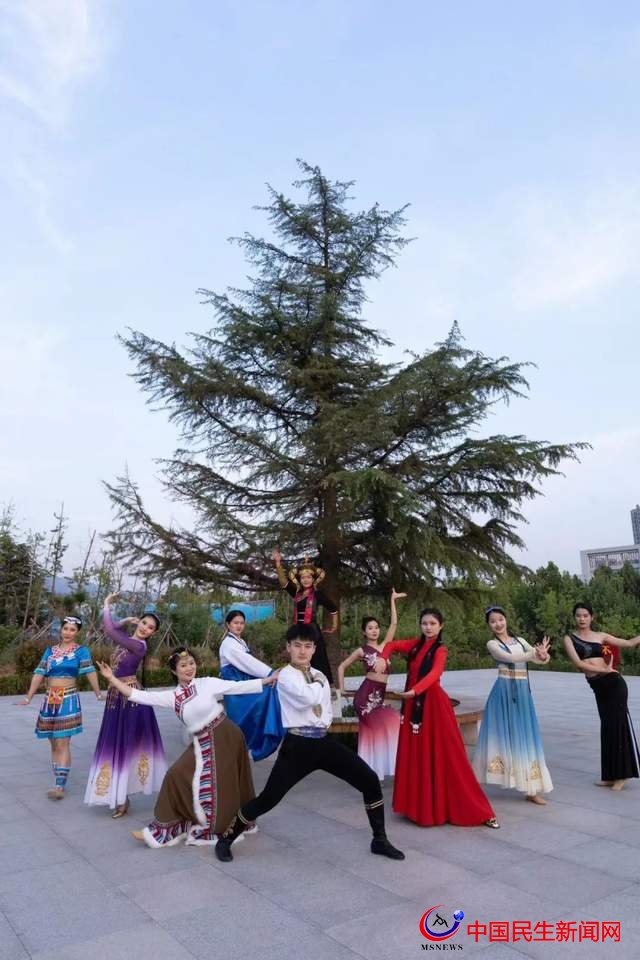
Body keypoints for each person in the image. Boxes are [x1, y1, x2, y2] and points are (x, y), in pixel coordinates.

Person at [214, 624, 405, 863]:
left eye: (307, 646)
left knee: (369, 780)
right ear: (288, 647)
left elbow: (325, 707)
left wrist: (323, 710)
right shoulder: (286, 675)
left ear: (314, 649)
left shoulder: (318, 674)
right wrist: (319, 682)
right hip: (298, 746)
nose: (302, 651)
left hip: (323, 741)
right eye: (297, 646)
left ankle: (379, 840)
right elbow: (309, 698)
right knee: (268, 799)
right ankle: (226, 839)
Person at [96, 648, 277, 847]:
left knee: (219, 785)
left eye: (191, 663)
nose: (189, 668)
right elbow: (137, 695)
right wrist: (111, 678)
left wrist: (267, 680)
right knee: (175, 774)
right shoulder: (172, 696)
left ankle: (221, 825)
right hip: (202, 741)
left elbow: (237, 687)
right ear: (174, 671)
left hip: (225, 737)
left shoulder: (207, 683)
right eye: (183, 665)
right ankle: (163, 830)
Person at [377, 607, 499, 828]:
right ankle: (420, 808)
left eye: (433, 623)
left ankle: (477, 809)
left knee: (450, 756)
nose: (428, 627)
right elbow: (391, 645)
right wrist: (383, 658)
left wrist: (415, 691)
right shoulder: (415, 645)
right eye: (425, 623)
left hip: (433, 706)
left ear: (441, 626)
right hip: (414, 704)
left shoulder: (440, 650)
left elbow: (435, 674)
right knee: (418, 754)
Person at [84, 594, 167, 817]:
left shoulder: (139, 646)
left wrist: (106, 604)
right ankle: (121, 796)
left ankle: (123, 797)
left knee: (127, 745)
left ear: (153, 633)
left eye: (150, 628)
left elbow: (110, 632)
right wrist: (125, 620)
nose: (145, 628)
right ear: (138, 622)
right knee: (116, 744)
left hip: (129, 699)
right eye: (144, 623)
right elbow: (112, 629)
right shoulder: (129, 640)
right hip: (115, 697)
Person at [473, 606, 553, 804]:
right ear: (489, 625)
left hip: (522, 693)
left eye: (500, 619)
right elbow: (509, 658)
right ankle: (481, 783)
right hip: (503, 692)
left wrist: (543, 655)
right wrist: (533, 654)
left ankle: (531, 789)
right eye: (493, 621)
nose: (498, 624)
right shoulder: (492, 644)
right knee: (503, 735)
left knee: (525, 736)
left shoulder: (521, 641)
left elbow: (539, 659)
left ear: (506, 620)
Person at [17, 616, 103, 799]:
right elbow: (39, 673)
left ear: (77, 632)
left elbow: (90, 671)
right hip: (50, 699)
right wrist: (28, 697)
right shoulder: (50, 651)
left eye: (72, 629)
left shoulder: (81, 651)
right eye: (65, 628)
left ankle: (59, 787)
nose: (68, 632)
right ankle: (59, 778)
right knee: (53, 742)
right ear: (61, 629)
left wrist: (98, 693)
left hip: (68, 698)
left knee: (63, 741)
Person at [564, 602, 640, 790]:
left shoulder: (601, 636)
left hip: (614, 684)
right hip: (598, 686)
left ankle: (622, 775)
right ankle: (609, 776)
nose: (582, 619)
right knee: (607, 728)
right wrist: (603, 669)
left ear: (592, 617)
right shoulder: (569, 639)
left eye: (585, 615)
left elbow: (630, 643)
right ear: (574, 617)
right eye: (578, 615)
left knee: (618, 727)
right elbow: (579, 664)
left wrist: (606, 670)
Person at [338, 589, 405, 780]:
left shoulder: (385, 647)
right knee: (387, 726)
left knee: (388, 726)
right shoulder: (362, 650)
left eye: (376, 627)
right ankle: (372, 773)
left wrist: (392, 600)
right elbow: (342, 667)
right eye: (370, 628)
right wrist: (342, 689)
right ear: (364, 631)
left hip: (378, 699)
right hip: (364, 700)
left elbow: (394, 624)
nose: (374, 630)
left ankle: (375, 772)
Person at [219, 608, 284, 761]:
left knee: (257, 708)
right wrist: (270, 673)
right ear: (228, 624)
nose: (239, 626)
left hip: (243, 685)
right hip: (237, 689)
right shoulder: (228, 644)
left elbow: (249, 664)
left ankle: (253, 746)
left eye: (241, 623)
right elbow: (248, 663)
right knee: (245, 718)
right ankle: (254, 747)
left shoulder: (239, 642)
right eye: (235, 623)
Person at [272, 548, 338, 682]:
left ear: (313, 579)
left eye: (309, 577)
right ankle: (300, 683)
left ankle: (322, 685)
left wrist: (334, 626)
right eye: (303, 577)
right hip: (298, 629)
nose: (306, 580)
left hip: (312, 630)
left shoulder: (318, 594)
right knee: (298, 658)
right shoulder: (297, 593)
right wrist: (278, 564)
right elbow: (284, 583)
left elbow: (333, 609)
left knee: (318, 660)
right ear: (300, 579)